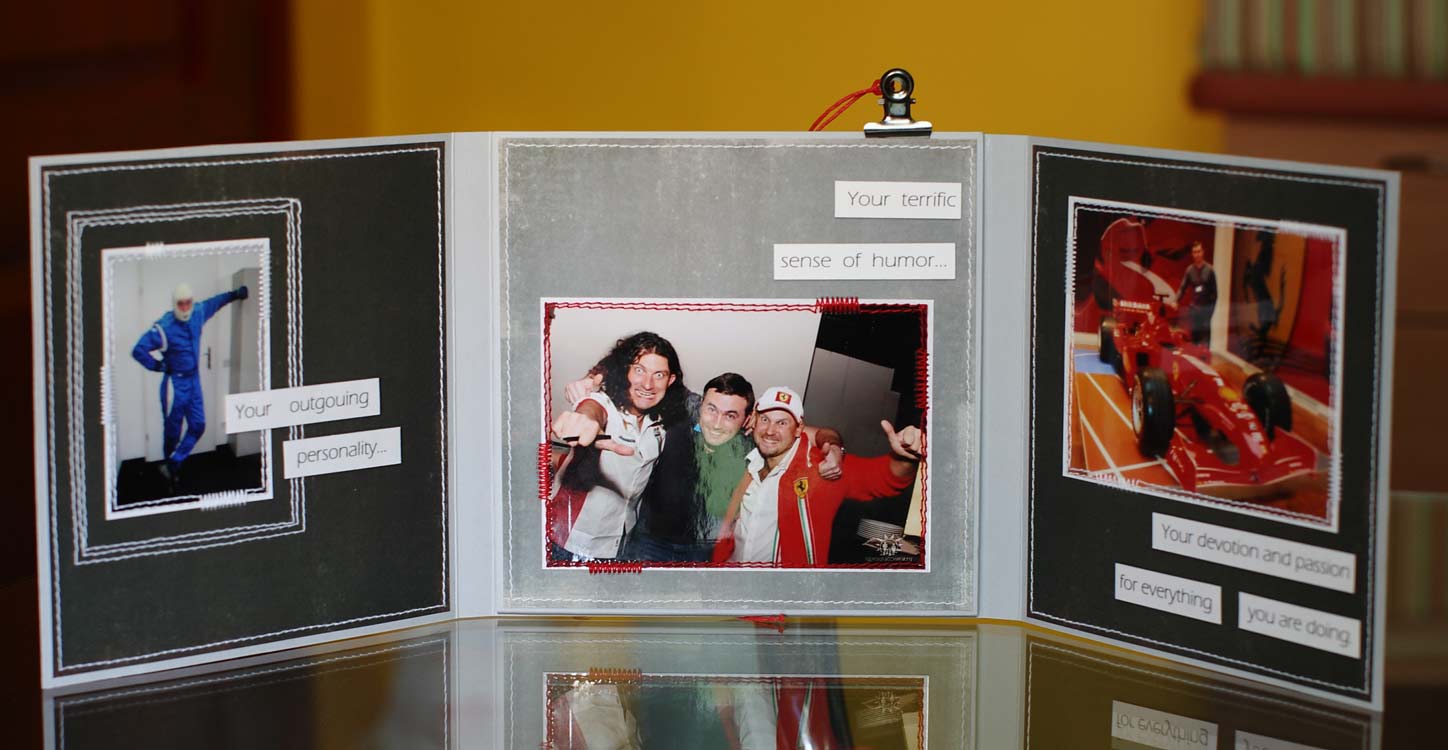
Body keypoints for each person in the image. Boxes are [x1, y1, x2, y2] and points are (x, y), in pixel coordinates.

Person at [715, 386, 923, 567]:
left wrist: (905, 457)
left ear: (799, 429)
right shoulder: (745, 460)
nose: (770, 430)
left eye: (782, 423)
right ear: (754, 420)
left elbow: (882, 477)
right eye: (765, 419)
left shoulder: (820, 467)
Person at [548, 331, 688, 561]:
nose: (648, 384)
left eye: (659, 375)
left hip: (621, 545)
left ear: (670, 380)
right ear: (625, 371)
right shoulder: (606, 405)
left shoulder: (659, 425)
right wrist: (585, 417)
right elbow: (593, 408)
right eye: (639, 370)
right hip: (571, 542)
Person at [131, 282, 248, 486]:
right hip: (175, 385)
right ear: (175, 304)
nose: (185, 307)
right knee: (172, 432)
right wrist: (159, 366)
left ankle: (172, 463)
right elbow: (138, 350)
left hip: (193, 381)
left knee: (198, 425)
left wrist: (236, 294)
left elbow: (216, 302)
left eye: (188, 303)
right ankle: (171, 474)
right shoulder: (164, 327)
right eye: (181, 304)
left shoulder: (198, 312)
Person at [1174, 241, 1217, 346]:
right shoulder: (1189, 270)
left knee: (1205, 339)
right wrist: (1176, 301)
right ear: (1192, 254)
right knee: (1194, 338)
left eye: (1199, 251)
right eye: (1195, 252)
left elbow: (1215, 293)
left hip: (1206, 310)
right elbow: (1182, 288)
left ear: (1203, 252)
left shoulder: (1210, 270)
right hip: (1194, 309)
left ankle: (1205, 355)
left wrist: (1211, 311)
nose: (1197, 254)